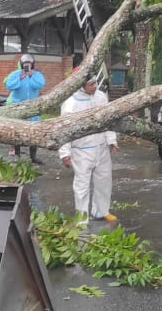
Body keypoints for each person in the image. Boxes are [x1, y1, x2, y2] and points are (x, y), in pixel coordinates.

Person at [58, 69, 119, 224]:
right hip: (81, 150)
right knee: (82, 185)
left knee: (104, 181)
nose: (95, 86)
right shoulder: (71, 103)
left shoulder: (100, 97)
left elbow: (108, 119)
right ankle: (82, 218)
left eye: (95, 82)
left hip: (101, 147)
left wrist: (111, 139)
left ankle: (101, 211)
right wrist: (65, 153)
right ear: (81, 85)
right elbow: (64, 129)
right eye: (91, 84)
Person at [4, 53, 45, 163]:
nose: (27, 65)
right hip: (18, 106)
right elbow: (9, 85)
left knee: (34, 131)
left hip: (32, 107)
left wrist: (31, 76)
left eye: (29, 63)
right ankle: (17, 154)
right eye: (25, 63)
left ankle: (33, 156)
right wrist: (20, 79)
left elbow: (40, 84)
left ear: (32, 64)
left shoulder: (36, 74)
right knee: (18, 130)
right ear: (22, 64)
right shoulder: (15, 74)